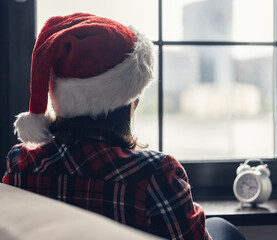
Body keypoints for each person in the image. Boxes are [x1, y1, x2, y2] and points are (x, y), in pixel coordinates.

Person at [2, 13, 245, 240]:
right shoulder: (156, 173)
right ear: (131, 101)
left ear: (58, 99)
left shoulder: (21, 162)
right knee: (223, 228)